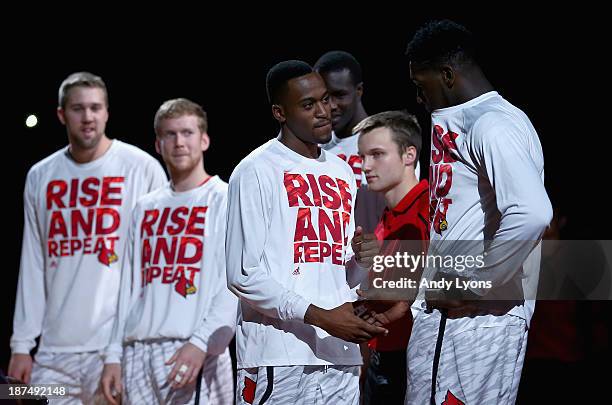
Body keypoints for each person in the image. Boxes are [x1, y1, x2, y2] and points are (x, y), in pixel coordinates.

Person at [403, 20, 553, 404]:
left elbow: (532, 212)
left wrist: (478, 283)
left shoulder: (494, 124)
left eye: (422, 86)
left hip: (482, 321)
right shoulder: (467, 121)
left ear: (448, 75)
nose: (420, 98)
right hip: (447, 315)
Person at [225, 60, 387, 405]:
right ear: (279, 112)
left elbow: (340, 270)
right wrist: (318, 316)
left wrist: (362, 259)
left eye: (326, 100)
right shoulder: (255, 170)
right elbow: (242, 274)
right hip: (278, 355)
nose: (324, 111)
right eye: (308, 104)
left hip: (338, 353)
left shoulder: (343, 172)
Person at [8, 72, 167, 403]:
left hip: (116, 349)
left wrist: (134, 346)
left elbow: (156, 265)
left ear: (107, 112)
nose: (88, 117)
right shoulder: (40, 176)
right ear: (61, 114)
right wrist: (22, 344)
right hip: (53, 353)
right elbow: (33, 261)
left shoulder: (141, 168)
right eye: (78, 108)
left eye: (96, 107)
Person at [100, 98, 237, 404]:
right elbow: (127, 287)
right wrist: (113, 354)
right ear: (158, 144)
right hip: (137, 350)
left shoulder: (224, 198)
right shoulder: (144, 206)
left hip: (194, 346)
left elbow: (233, 282)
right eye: (170, 134)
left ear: (204, 139)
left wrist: (202, 342)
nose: (179, 142)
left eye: (187, 133)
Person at [354, 111, 429, 404]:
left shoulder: (427, 212)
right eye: (362, 156)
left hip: (408, 359)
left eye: (377, 154)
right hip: (381, 351)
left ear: (409, 154)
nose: (365, 166)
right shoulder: (389, 214)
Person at [314, 51, 420, 233]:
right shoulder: (314, 147)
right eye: (324, 98)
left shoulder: (388, 140)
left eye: (339, 95)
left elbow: (406, 209)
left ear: (359, 91)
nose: (330, 106)